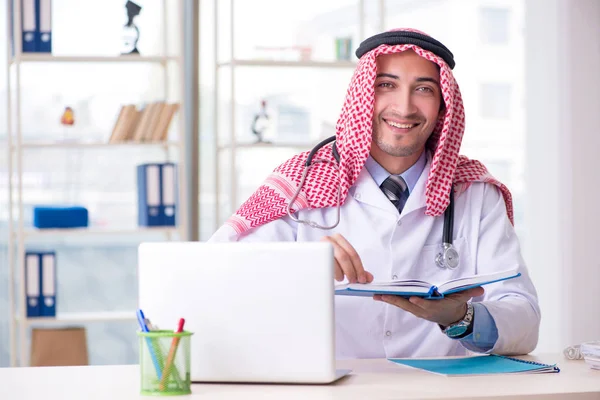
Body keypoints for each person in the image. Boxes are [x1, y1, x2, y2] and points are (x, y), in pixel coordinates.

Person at [208, 28, 540, 359]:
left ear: (443, 108)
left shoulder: (476, 193)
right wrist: (300, 267)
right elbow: (214, 276)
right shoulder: (300, 183)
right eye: (386, 85)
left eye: (423, 89)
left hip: (441, 392)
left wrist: (461, 318)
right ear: (362, 96)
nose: (404, 107)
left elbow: (524, 321)